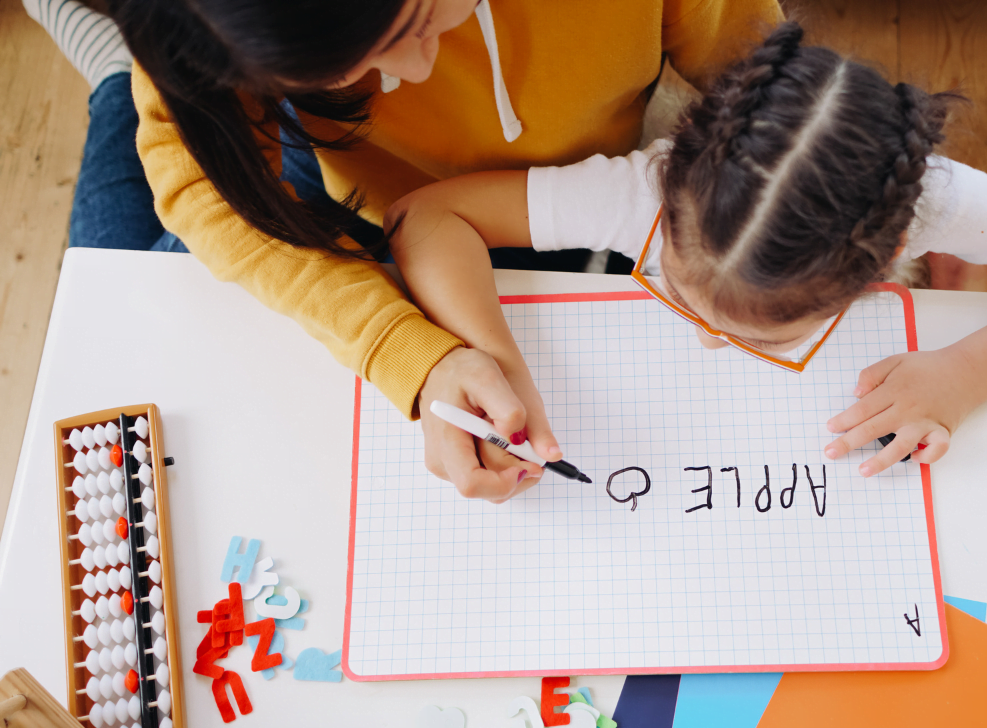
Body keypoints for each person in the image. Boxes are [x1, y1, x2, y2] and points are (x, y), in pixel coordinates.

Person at [23, 0, 785, 501]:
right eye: (358, 65)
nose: (414, 72)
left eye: (419, 20)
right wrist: (409, 352)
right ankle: (136, 74)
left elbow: (768, 89)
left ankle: (121, 75)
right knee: (121, 309)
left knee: (119, 274)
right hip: (344, 184)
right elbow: (202, 185)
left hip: (563, 200)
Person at [384, 22, 987, 482]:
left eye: (758, 335)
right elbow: (425, 216)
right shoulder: (642, 188)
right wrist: (496, 359)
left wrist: (968, 372)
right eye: (687, 299)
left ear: (890, 253)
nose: (708, 339)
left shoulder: (935, 200)